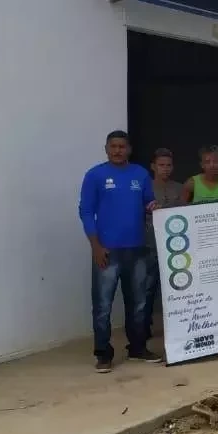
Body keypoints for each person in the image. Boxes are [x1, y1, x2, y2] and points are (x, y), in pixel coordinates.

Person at [78, 130, 162, 372]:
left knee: (138, 303)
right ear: (106, 149)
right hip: (107, 251)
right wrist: (95, 246)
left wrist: (153, 207)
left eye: (122, 146)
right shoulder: (95, 175)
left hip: (137, 250)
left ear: (129, 149)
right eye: (113, 146)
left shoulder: (141, 174)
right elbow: (85, 211)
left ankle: (137, 347)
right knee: (103, 305)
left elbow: (148, 203)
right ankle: (103, 353)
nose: (117, 150)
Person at [143, 148, 185, 342]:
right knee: (147, 288)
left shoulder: (180, 188)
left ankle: (179, 325)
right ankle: (144, 327)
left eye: (168, 165)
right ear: (153, 167)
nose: (165, 169)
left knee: (178, 286)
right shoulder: (145, 187)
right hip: (150, 245)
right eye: (161, 165)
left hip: (176, 247)